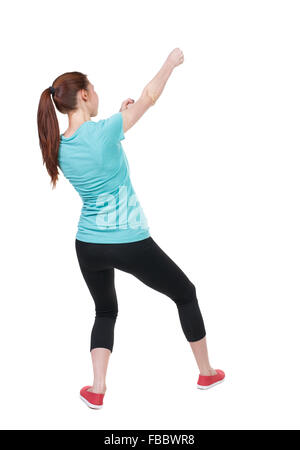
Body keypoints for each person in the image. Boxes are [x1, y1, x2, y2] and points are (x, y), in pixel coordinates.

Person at [37, 48, 225, 410]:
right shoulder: (105, 131)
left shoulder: (58, 145)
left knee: (105, 311)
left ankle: (97, 388)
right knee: (185, 293)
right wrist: (170, 63)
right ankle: (206, 372)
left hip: (88, 245)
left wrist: (121, 116)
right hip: (128, 241)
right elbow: (151, 97)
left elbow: (96, 143)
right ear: (86, 95)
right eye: (94, 87)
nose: (97, 93)